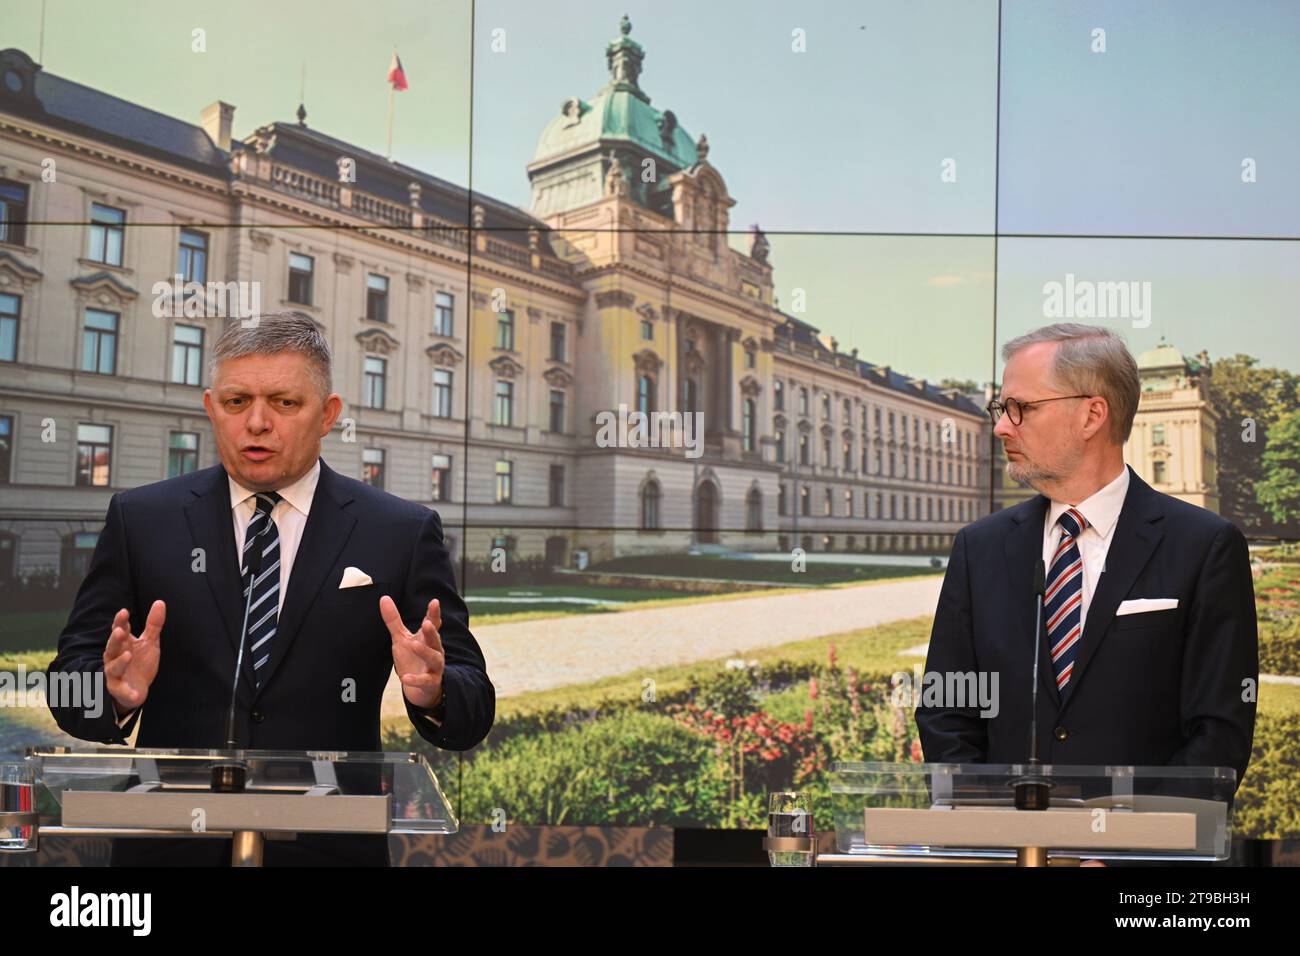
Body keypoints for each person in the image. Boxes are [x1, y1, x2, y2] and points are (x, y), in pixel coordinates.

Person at [47, 312, 494, 866]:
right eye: (237, 403)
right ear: (212, 408)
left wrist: (435, 691)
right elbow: (68, 685)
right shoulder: (141, 519)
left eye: (284, 403)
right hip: (168, 850)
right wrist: (109, 694)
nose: (257, 423)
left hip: (329, 849)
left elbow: (474, 704)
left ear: (328, 414)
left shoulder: (400, 531)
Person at [916, 323, 1257, 798]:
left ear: (1092, 414)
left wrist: (1125, 850)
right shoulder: (981, 547)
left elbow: (1218, 732)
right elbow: (947, 709)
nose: (1000, 426)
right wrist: (992, 831)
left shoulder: (1205, 545)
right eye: (1001, 409)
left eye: (1020, 408)